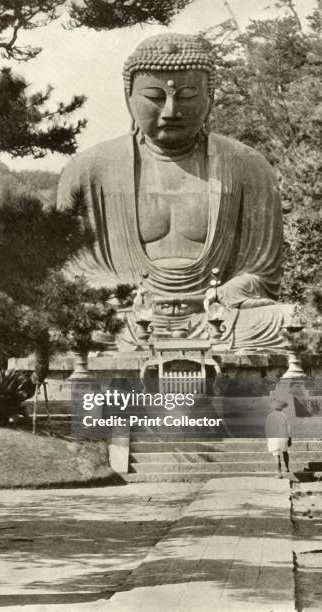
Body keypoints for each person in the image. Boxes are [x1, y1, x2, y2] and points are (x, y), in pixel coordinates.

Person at [57, 32, 293, 351]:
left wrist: (220, 295)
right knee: (60, 329)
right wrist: (124, 294)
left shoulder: (248, 166)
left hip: (219, 317)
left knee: (290, 319)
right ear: (129, 96)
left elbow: (262, 272)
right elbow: (75, 271)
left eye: (187, 95)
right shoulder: (89, 170)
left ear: (210, 96)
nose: (170, 110)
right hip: (125, 319)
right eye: (155, 97)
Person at [265, 399, 292, 478]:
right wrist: (290, 438)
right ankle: (287, 468)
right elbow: (289, 428)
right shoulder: (285, 416)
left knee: (276, 455)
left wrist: (267, 439)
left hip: (273, 437)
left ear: (273, 408)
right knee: (285, 452)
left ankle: (279, 473)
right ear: (282, 408)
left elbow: (267, 429)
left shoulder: (270, 416)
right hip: (283, 436)